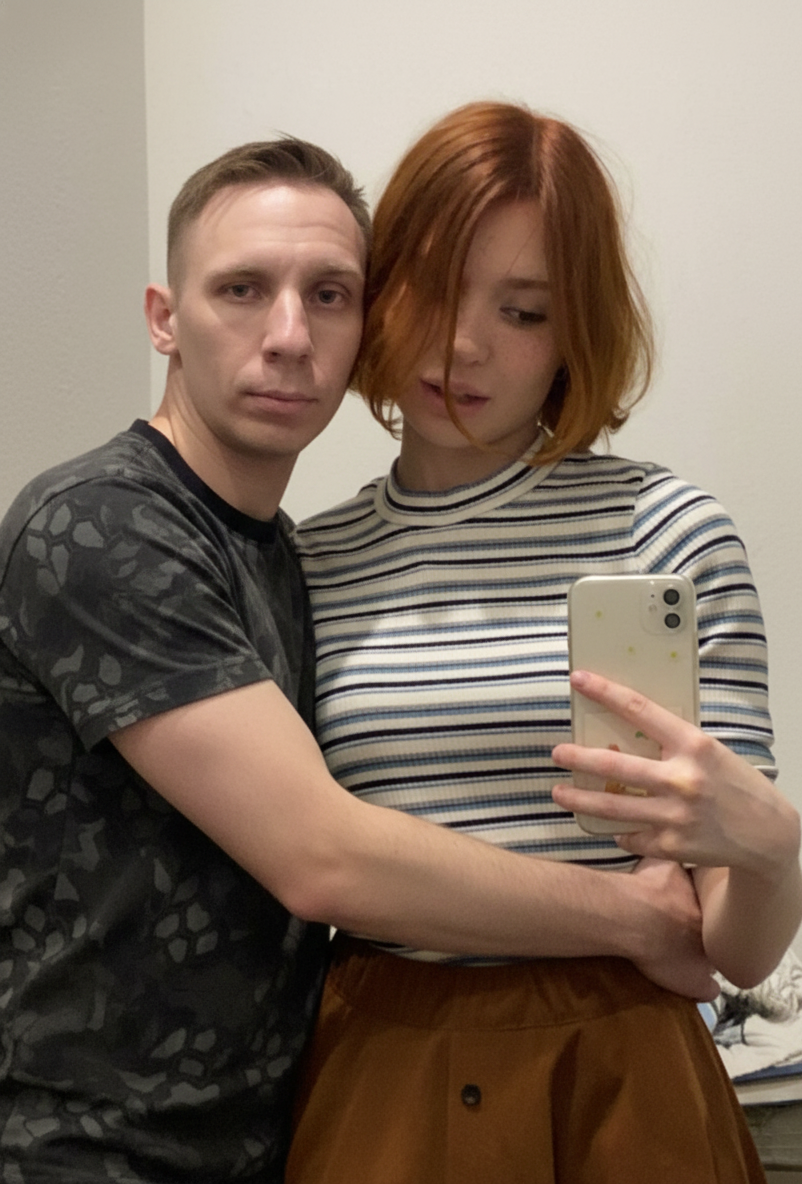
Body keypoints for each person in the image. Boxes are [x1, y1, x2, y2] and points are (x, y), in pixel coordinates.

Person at [0, 134, 735, 1182]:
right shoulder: (102, 525)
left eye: (330, 295)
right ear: (165, 317)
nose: (289, 336)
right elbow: (323, 857)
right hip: (96, 1147)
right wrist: (633, 918)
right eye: (242, 289)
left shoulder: (282, 551)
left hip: (278, 1124)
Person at [286, 101, 802, 1183]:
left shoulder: (668, 531)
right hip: (382, 1055)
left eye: (524, 311)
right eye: (435, 289)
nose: (464, 344)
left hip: (624, 1069)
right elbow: (309, 858)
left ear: (576, 335)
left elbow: (733, 947)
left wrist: (769, 850)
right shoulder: (306, 563)